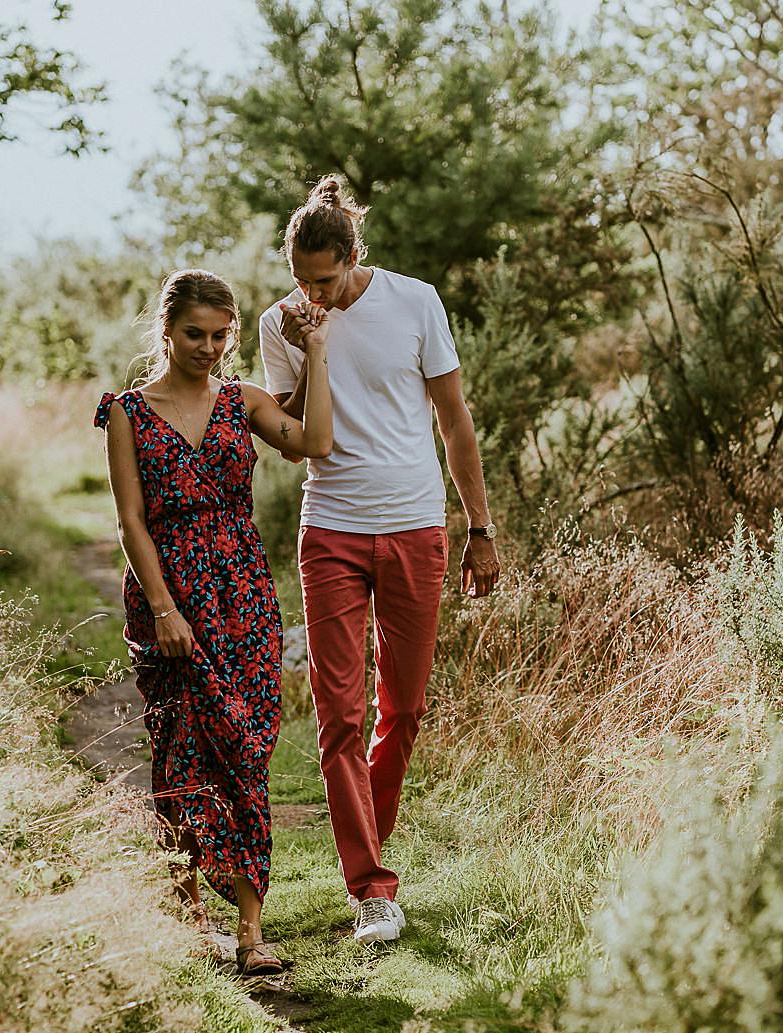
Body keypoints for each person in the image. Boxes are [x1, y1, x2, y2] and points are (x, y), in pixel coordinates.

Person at [258, 177, 502, 945]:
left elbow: (454, 420)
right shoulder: (282, 323)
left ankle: (372, 835)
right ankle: (371, 885)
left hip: (415, 526)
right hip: (330, 527)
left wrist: (480, 526)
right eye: (301, 280)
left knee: (405, 707)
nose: (312, 295)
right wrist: (308, 351)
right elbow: (289, 427)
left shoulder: (415, 301)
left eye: (324, 281)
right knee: (340, 715)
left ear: (354, 257)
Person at [95, 269, 331, 978]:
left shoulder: (242, 400)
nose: (209, 346)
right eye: (195, 333)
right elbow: (130, 521)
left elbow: (314, 441)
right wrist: (163, 606)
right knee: (180, 751)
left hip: (245, 594)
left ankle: (252, 928)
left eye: (221, 334)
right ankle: (191, 912)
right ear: (165, 330)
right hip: (170, 598)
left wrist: (315, 351)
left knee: (247, 747)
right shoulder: (129, 412)